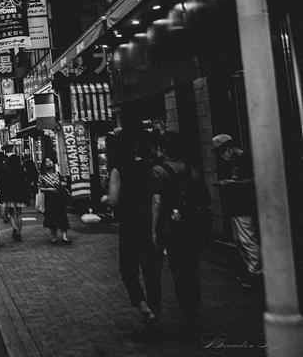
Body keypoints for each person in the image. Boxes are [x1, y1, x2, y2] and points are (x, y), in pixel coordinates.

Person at [150, 131, 210, 339]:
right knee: (192, 271)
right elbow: (205, 197)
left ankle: (188, 317)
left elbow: (156, 201)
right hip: (192, 227)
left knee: (178, 271)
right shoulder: (191, 170)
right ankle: (194, 314)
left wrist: (153, 228)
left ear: (164, 149)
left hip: (172, 229)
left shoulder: (158, 172)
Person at [105, 129, 162, 329]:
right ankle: (155, 311)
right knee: (152, 271)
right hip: (150, 224)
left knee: (128, 269)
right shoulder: (152, 167)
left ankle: (144, 306)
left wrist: (106, 199)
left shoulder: (118, 169)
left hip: (130, 225)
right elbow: (157, 198)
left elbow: (113, 200)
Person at [212, 134, 262, 287]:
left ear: (229, 148)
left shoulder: (245, 159)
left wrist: (232, 183)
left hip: (244, 205)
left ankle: (257, 272)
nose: (222, 156)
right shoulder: (232, 161)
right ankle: (250, 270)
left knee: (247, 240)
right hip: (235, 206)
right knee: (239, 241)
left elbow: (255, 179)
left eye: (222, 151)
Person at [39, 158, 72, 244]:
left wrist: (63, 184)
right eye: (46, 162)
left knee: (62, 216)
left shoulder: (57, 174)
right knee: (51, 217)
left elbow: (63, 182)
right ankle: (54, 237)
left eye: (50, 161)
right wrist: (50, 189)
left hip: (59, 198)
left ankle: (65, 237)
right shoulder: (42, 176)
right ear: (44, 165)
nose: (49, 162)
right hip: (49, 199)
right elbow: (40, 188)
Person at [0, 153, 30, 240]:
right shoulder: (21, 171)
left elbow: (1, 184)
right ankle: (19, 232)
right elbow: (25, 184)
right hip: (19, 195)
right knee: (19, 214)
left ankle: (14, 227)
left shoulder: (6, 170)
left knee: (11, 213)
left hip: (9, 195)